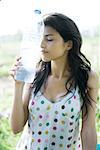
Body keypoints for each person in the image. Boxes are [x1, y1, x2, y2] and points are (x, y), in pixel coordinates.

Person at [10, 13, 98, 150]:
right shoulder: (35, 75)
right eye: (40, 38)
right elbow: (16, 128)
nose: (41, 44)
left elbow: (88, 130)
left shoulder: (87, 78)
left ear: (68, 45)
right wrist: (18, 85)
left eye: (49, 39)